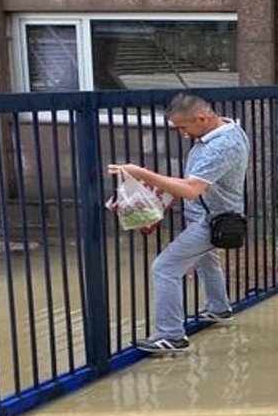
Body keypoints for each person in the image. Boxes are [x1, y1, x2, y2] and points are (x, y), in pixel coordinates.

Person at [106, 93, 249, 353]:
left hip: (214, 221)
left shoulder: (222, 145)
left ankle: (171, 336)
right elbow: (195, 181)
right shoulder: (222, 130)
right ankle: (220, 309)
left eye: (184, 127)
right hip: (208, 214)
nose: (182, 134)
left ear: (203, 118)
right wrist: (154, 198)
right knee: (208, 260)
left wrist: (141, 173)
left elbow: (193, 188)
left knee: (165, 267)